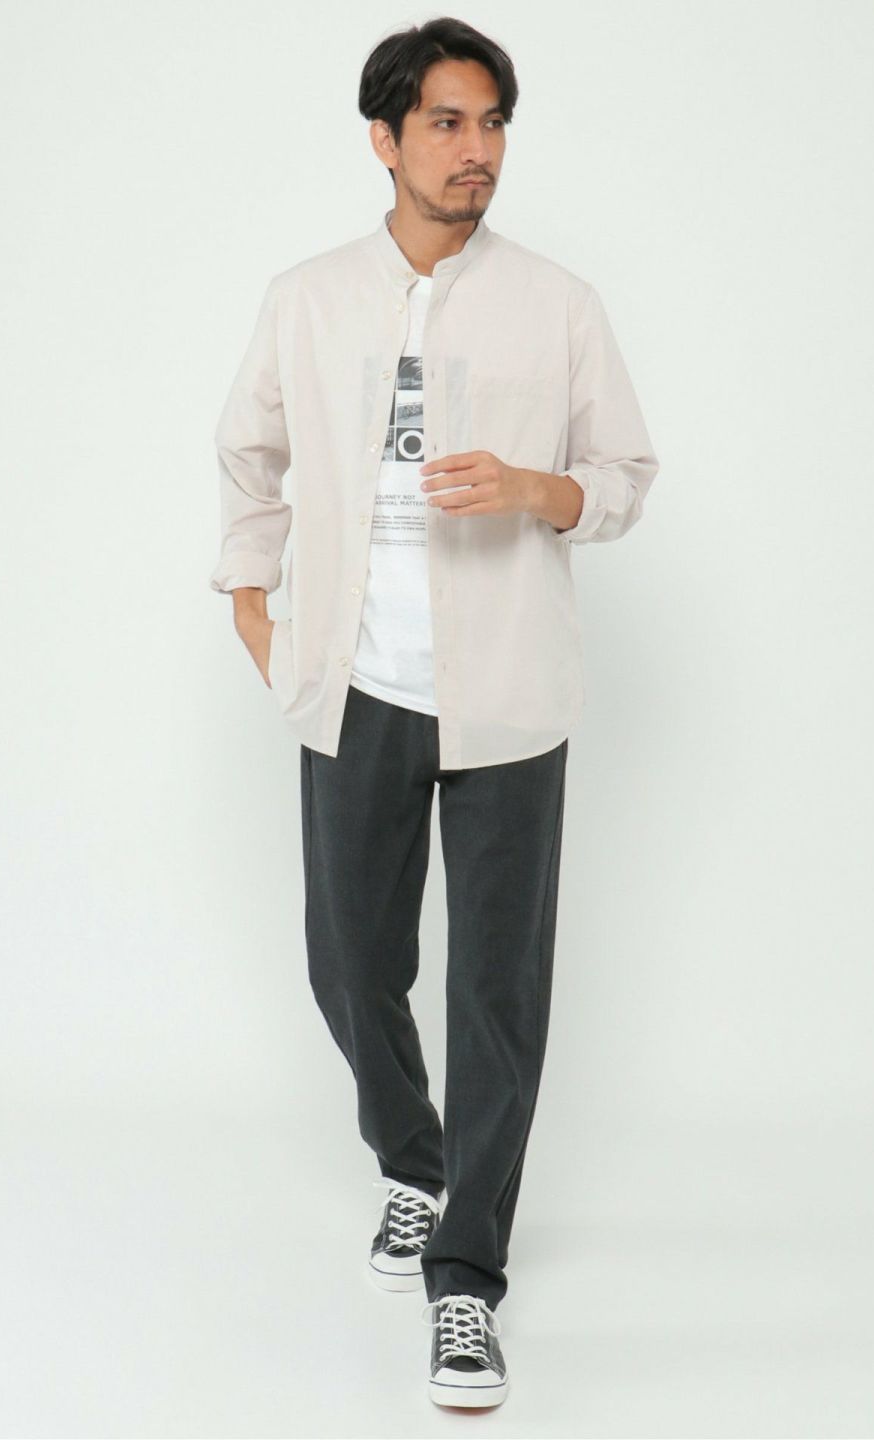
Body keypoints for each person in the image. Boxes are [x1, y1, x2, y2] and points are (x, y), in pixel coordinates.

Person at [208, 15, 658, 1410]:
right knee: (349, 964)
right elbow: (249, 456)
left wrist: (536, 490)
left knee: (496, 995)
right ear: (386, 139)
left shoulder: (558, 304)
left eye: (493, 124)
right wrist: (253, 607)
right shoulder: (308, 298)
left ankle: (467, 1277)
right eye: (449, 124)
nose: (478, 152)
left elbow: (627, 477)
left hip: (509, 693)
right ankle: (416, 1160)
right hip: (356, 687)